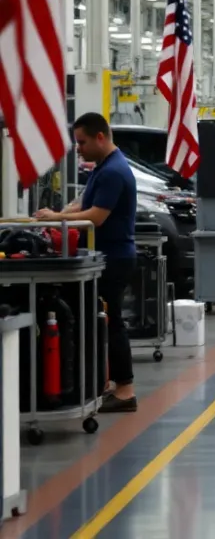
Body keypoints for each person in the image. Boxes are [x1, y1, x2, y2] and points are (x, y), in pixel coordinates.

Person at [36, 113, 139, 413]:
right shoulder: (103, 168)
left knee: (113, 321)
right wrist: (55, 214)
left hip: (113, 259)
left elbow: (96, 217)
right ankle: (108, 383)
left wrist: (57, 218)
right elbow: (82, 204)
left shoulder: (113, 172)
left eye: (81, 142)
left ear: (100, 138)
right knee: (101, 321)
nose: (78, 148)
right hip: (105, 257)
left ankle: (125, 390)